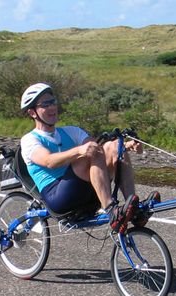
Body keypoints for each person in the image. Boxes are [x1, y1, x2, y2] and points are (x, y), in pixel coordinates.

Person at [19, 82, 151, 233]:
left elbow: (96, 147)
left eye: (53, 102)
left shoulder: (71, 131)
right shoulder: (30, 140)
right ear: (32, 113)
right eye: (45, 105)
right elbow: (48, 161)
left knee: (113, 147)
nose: (52, 107)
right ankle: (110, 210)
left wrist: (125, 145)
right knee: (90, 152)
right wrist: (80, 150)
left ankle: (135, 211)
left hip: (86, 191)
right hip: (58, 198)